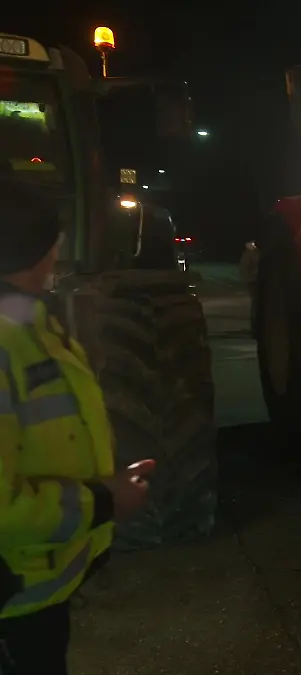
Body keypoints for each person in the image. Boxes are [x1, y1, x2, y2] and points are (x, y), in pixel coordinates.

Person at [0, 178, 156, 674]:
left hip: (33, 591)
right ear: (41, 249)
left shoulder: (30, 325)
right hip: (12, 600)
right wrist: (107, 500)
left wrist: (109, 480)